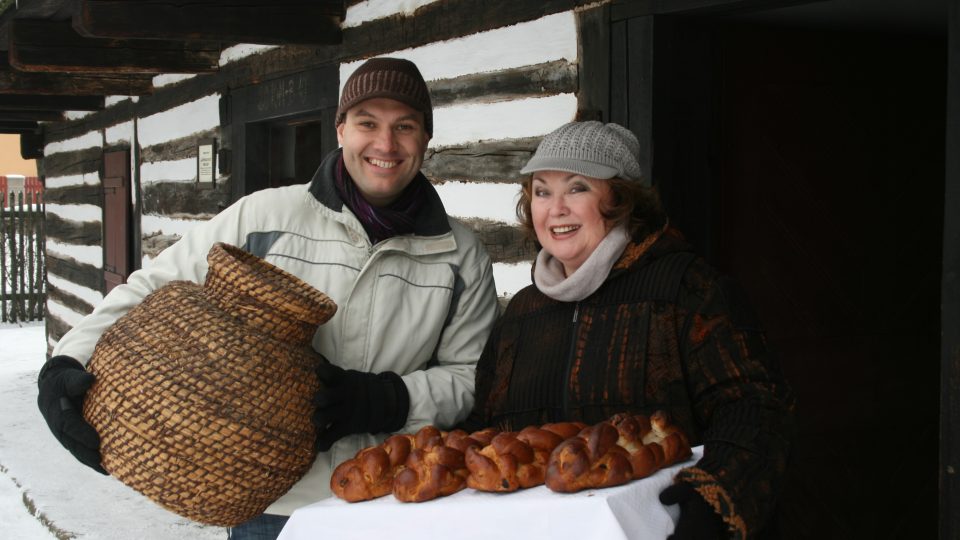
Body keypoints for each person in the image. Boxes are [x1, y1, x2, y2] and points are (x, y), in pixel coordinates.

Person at [37, 57, 500, 540]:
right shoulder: (262, 217)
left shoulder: (460, 255)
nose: (385, 144)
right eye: (368, 123)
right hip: (274, 504)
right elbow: (154, 285)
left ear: (425, 139)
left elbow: (470, 376)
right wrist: (67, 359)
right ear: (340, 129)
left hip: (391, 497)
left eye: (405, 127)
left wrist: (387, 400)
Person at [460, 121, 795, 540]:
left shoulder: (687, 289)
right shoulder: (522, 314)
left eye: (577, 187)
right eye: (542, 190)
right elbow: (484, 427)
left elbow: (754, 407)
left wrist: (712, 504)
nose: (555, 208)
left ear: (619, 198)